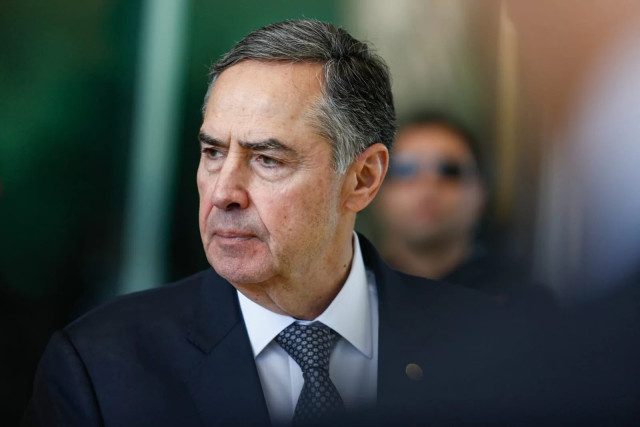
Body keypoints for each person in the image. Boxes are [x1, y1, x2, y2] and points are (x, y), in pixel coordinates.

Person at [24, 20, 493, 426]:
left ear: (363, 178)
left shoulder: (490, 348)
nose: (223, 192)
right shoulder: (99, 367)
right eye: (213, 153)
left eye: (267, 159)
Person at [376, 113, 527, 298]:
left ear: (481, 192)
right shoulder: (352, 294)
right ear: (374, 190)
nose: (427, 188)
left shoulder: (520, 302)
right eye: (404, 170)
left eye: (449, 171)